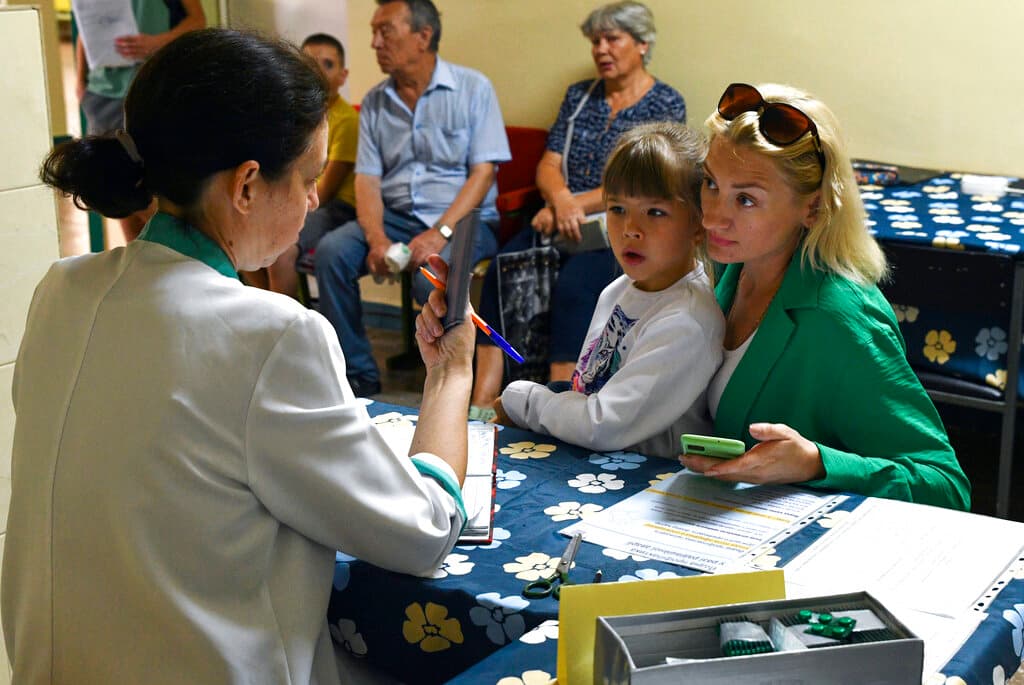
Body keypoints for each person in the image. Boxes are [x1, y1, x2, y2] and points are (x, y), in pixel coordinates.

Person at [4, 29, 476, 684]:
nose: (314, 200)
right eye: (309, 179)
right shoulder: (270, 334)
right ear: (247, 184)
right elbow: (421, 530)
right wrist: (451, 377)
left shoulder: (63, 289)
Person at [680, 82, 970, 509]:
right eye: (710, 183)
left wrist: (817, 463)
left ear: (813, 208)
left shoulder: (840, 316)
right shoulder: (731, 267)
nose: (713, 216)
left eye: (745, 199)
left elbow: (945, 486)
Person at [469, 0, 687, 421]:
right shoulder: (579, 96)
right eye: (595, 41)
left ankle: (563, 401)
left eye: (612, 39)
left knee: (575, 286)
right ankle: (483, 400)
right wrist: (558, 201)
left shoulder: (665, 103)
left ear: (642, 44)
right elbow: (549, 163)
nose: (601, 49)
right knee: (501, 266)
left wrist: (571, 203)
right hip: (559, 214)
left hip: (618, 224)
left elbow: (645, 184)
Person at [313, 0, 511, 398]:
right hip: (397, 218)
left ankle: (451, 380)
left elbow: (483, 173)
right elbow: (368, 179)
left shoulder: (474, 88)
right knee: (332, 252)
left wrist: (440, 232)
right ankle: (359, 374)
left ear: (423, 36)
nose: (374, 43)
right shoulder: (374, 102)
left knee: (433, 276)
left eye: (385, 31)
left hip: (465, 221)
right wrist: (376, 239)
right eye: (373, 32)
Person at [493, 123, 724, 458]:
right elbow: (586, 387)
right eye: (617, 209)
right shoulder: (619, 290)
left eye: (655, 212)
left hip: (644, 482)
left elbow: (602, 424)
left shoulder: (687, 321)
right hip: (592, 456)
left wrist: (524, 400)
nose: (631, 229)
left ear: (698, 225)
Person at [74, 0, 206, 242]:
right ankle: (141, 269)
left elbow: (197, 21)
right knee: (120, 193)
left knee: (153, 196)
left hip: (150, 90)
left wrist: (155, 43)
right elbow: (87, 25)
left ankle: (172, 266)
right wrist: (80, 82)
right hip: (102, 94)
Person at [259, 33, 359, 298]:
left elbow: (324, 193)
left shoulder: (346, 120)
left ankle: (284, 323)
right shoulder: (294, 114)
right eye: (308, 62)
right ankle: (264, 308)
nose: (317, 70)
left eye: (327, 64)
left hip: (334, 206)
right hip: (298, 195)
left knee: (281, 248)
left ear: (343, 75)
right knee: (247, 230)